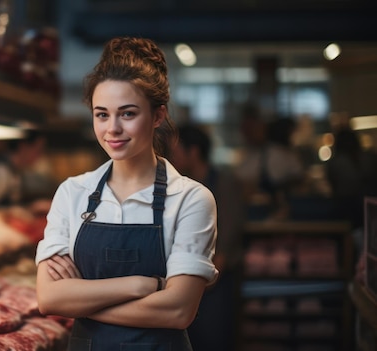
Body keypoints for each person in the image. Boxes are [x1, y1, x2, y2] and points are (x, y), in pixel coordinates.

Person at [35, 37, 218, 351]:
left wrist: (82, 300)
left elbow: (178, 311)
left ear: (158, 116)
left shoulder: (191, 199)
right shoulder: (72, 193)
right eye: (102, 114)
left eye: (128, 114)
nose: (112, 129)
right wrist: (142, 285)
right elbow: (50, 298)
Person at [170, 124, 245, 351]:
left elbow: (230, 229)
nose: (172, 158)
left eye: (176, 152)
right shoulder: (179, 186)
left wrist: (213, 271)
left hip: (216, 278)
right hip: (185, 277)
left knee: (215, 336)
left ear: (193, 152)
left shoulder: (223, 182)